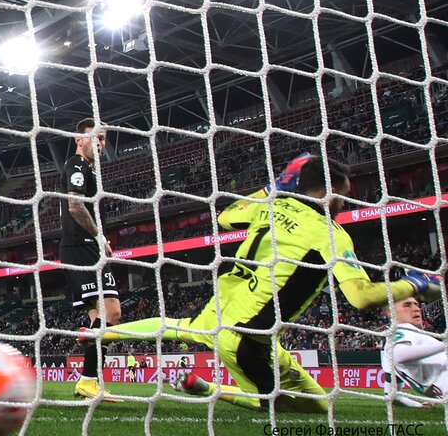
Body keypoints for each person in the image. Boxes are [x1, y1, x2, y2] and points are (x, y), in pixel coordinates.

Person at [169, 157, 442, 413]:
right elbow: (361, 297)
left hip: (243, 321)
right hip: (249, 337)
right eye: (343, 195)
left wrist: (272, 189)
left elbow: (225, 216)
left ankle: (206, 386)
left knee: (320, 405)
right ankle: (211, 389)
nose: (343, 203)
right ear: (330, 193)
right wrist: (414, 284)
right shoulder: (329, 232)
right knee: (276, 404)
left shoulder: (274, 204)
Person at [60, 118, 122, 402]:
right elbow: (75, 205)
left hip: (83, 248)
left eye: (103, 138)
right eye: (94, 137)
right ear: (79, 139)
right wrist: (99, 237)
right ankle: (88, 380)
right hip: (82, 247)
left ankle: (91, 382)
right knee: (112, 313)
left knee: (99, 319)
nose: (99, 143)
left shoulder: (89, 169)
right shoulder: (77, 166)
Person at [380, 296, 444, 407]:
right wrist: (444, 345)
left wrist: (419, 405)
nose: (416, 309)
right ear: (391, 312)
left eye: (416, 304)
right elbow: (400, 355)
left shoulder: (395, 344)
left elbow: (391, 395)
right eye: (407, 305)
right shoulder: (402, 333)